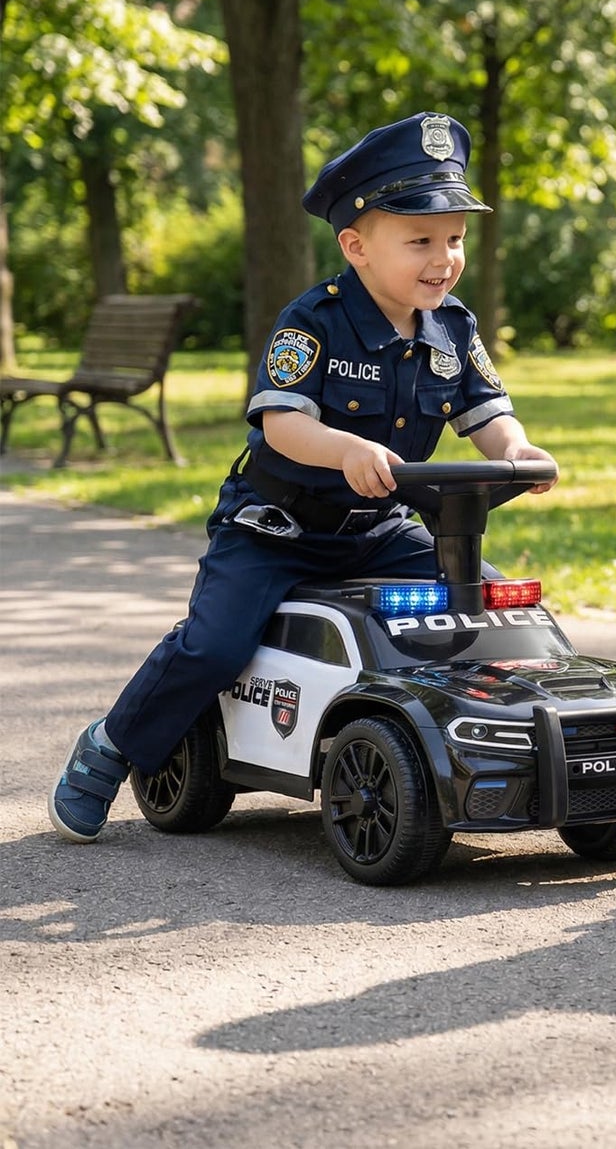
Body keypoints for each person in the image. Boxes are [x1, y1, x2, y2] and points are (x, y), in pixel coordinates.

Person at [50, 111, 558, 844]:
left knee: (487, 611)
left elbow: (486, 416)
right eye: (419, 239)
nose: (442, 258)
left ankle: (478, 749)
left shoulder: (454, 328)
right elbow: (282, 424)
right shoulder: (312, 322)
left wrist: (520, 450)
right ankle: (113, 742)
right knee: (216, 644)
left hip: (381, 531)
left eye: (454, 239)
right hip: (276, 528)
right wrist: (346, 448)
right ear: (355, 245)